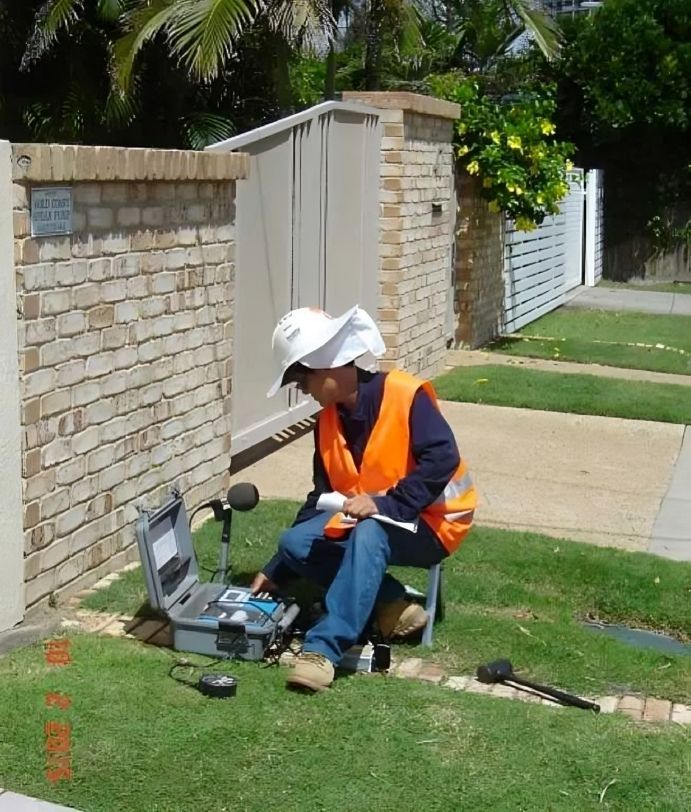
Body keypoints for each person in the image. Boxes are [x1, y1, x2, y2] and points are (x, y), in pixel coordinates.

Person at [251, 305, 476, 692]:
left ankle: (323, 650)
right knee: (295, 542)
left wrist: (385, 505)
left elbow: (443, 458)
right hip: (378, 520)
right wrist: (278, 567)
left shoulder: (405, 394)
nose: (302, 390)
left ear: (326, 367)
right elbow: (320, 497)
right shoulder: (327, 421)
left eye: (301, 379)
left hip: (436, 522)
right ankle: (391, 603)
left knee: (372, 531)